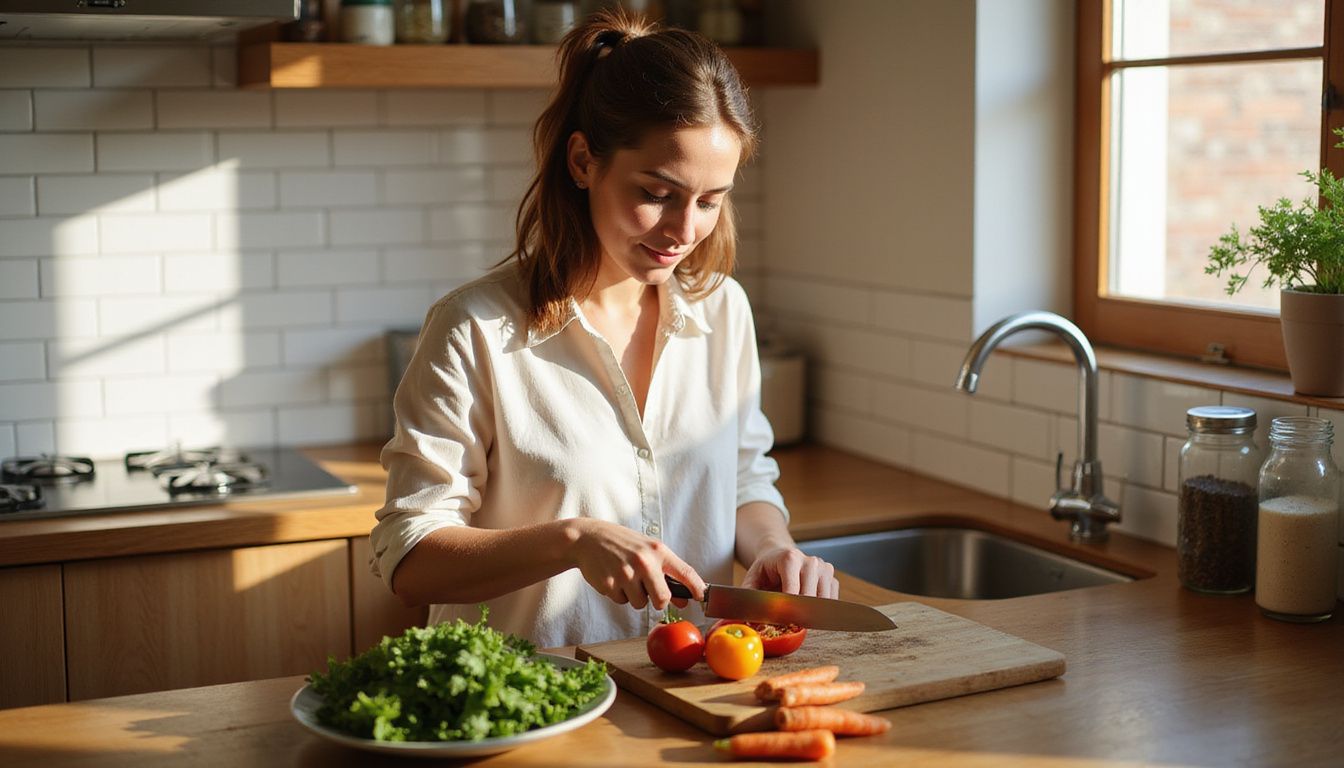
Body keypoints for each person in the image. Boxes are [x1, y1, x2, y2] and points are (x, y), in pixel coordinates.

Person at [369, 9, 839, 649]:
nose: (683, 232)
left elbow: (743, 479)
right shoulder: (473, 328)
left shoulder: (723, 310)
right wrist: (572, 539)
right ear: (584, 160)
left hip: (686, 687)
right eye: (658, 192)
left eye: (709, 200)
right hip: (531, 701)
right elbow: (410, 556)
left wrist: (774, 548)